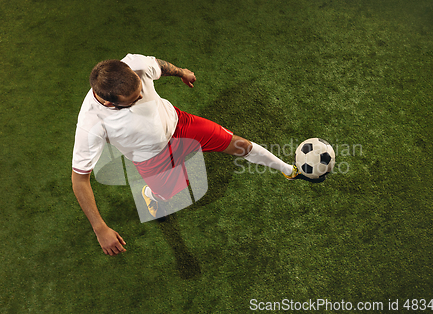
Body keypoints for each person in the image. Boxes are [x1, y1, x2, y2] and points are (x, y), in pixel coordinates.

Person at [72, 53, 300, 256]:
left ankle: (289, 170)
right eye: (134, 100)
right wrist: (100, 228)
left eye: (141, 89)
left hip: (181, 124)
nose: (142, 97)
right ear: (110, 104)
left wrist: (182, 73)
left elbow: (159, 66)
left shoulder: (135, 64)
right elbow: (79, 179)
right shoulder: (91, 123)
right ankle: (151, 194)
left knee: (238, 144)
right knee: (173, 192)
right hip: (153, 160)